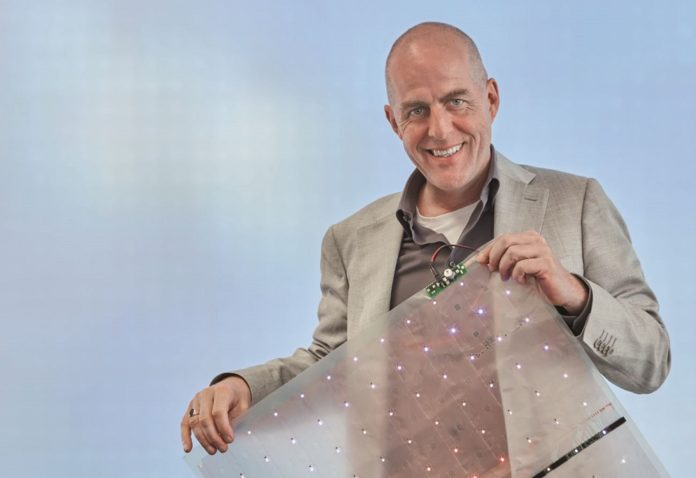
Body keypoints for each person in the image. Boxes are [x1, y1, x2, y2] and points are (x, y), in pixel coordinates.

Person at [181, 22, 671, 456]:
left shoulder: (576, 202)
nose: (440, 129)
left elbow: (651, 362)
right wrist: (242, 387)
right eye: (416, 110)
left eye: (457, 101)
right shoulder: (350, 240)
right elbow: (329, 368)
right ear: (393, 121)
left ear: (491, 99)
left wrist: (575, 295)